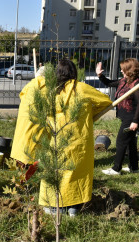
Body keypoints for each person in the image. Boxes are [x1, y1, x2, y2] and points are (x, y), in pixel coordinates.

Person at [12, 59, 112, 216]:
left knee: (55, 170)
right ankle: (74, 207)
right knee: (77, 173)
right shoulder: (81, 88)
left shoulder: (50, 90)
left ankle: (52, 206)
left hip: (55, 138)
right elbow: (106, 101)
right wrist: (89, 114)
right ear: (74, 73)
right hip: (79, 139)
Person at [96, 59, 139, 175]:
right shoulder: (124, 81)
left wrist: (135, 121)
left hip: (131, 119)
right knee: (130, 143)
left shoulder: (136, 84)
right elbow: (109, 83)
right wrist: (100, 75)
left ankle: (116, 169)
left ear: (129, 70)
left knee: (121, 141)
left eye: (123, 68)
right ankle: (134, 167)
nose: (121, 70)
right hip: (125, 118)